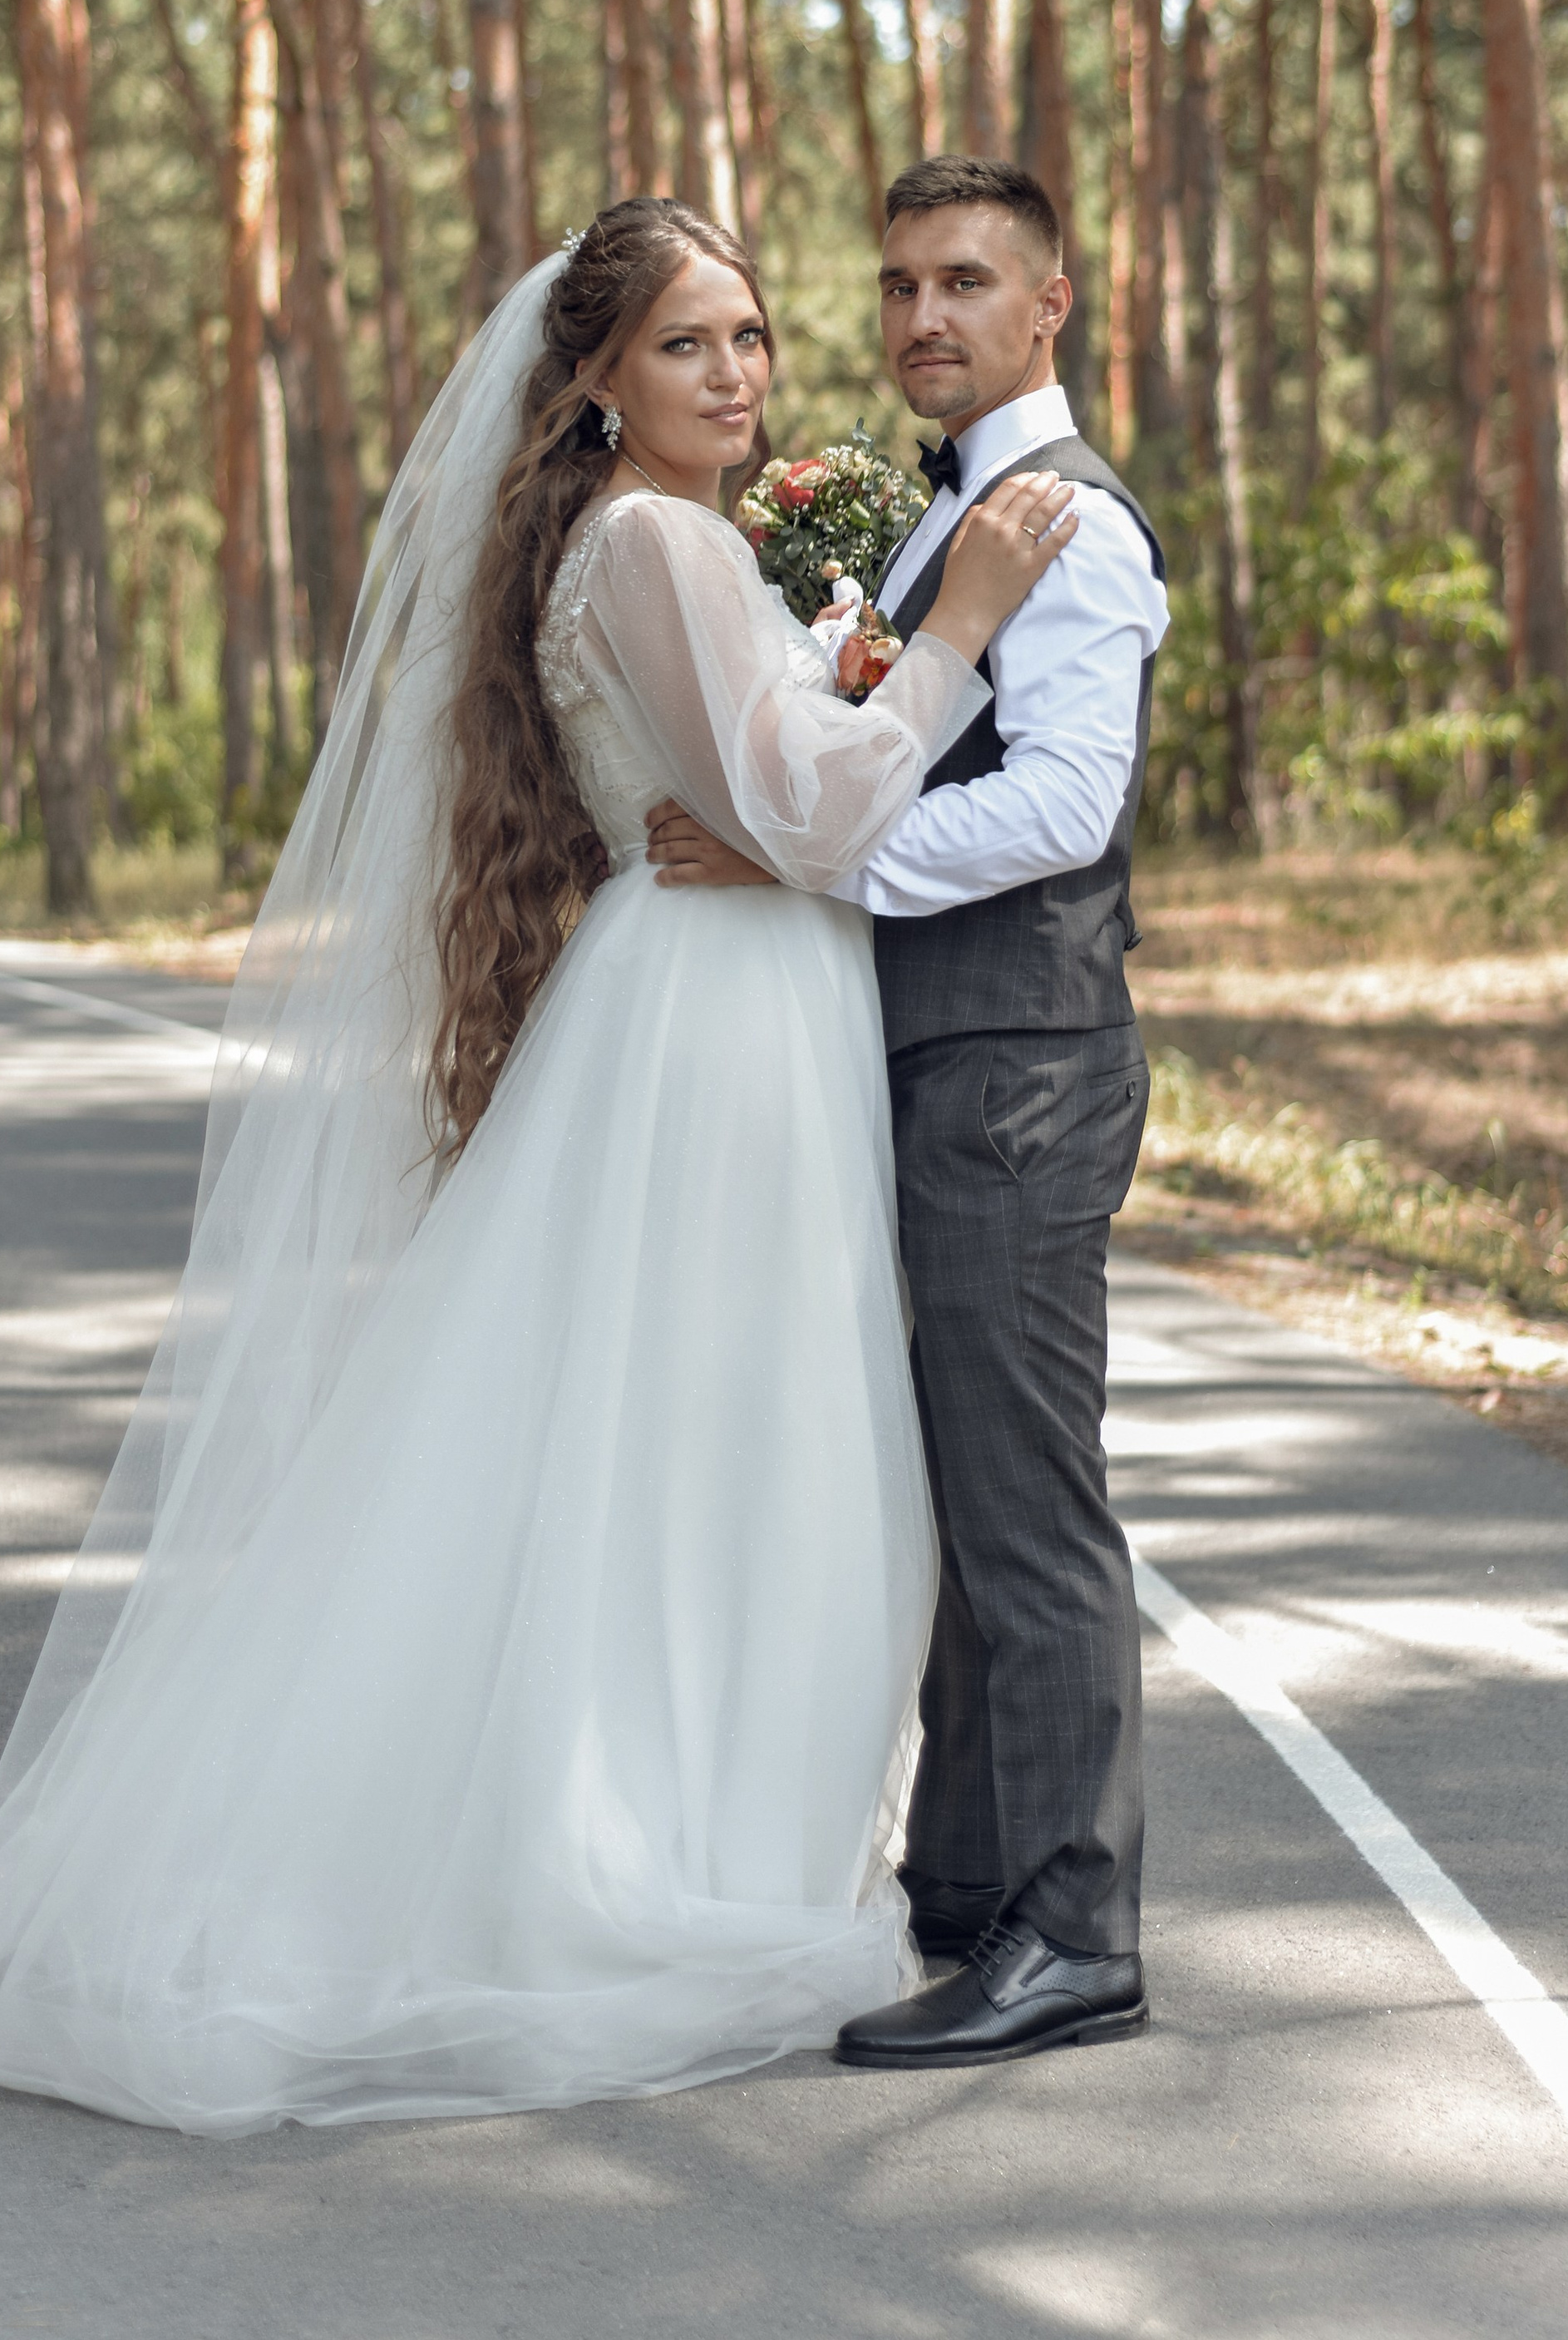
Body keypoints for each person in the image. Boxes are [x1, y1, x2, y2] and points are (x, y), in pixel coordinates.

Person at [0, 198, 1077, 2135]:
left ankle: (700, 1834)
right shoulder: (653, 541)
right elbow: (801, 808)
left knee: (694, 1445)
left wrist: (816, 733)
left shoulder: (658, 538)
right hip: (712, 1022)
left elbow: (769, 799)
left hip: (732, 1000)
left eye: (748, 334)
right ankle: (651, 1864)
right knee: (712, 1445)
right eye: (684, 343)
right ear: (596, 377)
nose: (734, 373)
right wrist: (950, 635)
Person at [648, 156, 1170, 2067]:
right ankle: (963, 1893)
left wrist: (811, 865)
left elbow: (1061, 807)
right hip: (934, 1058)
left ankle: (1074, 1933)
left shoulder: (1063, 521)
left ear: (1048, 304)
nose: (921, 316)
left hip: (1018, 1065)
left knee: (1025, 1507)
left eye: (962, 280)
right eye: (894, 285)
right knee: (950, 1491)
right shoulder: (937, 511)